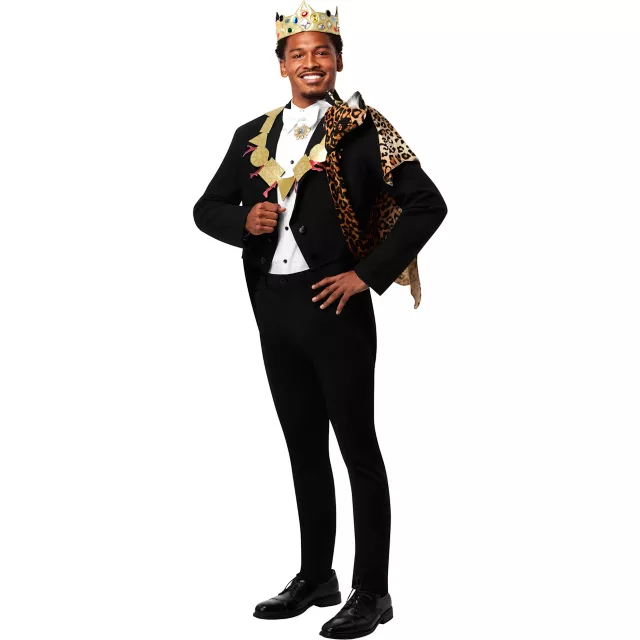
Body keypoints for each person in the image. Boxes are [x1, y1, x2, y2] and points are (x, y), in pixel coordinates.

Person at [193, 2, 447, 637]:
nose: (311, 63)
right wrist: (243, 221)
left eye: (322, 52)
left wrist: (367, 275)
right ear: (281, 65)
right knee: (302, 445)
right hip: (273, 308)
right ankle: (315, 576)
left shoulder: (363, 129)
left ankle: (373, 590)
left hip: (336, 305)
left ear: (338, 60)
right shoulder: (251, 134)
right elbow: (205, 207)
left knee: (357, 446)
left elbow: (428, 203)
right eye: (298, 54)